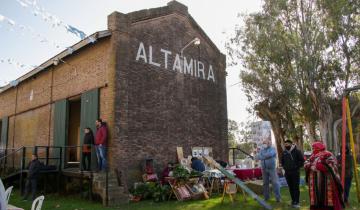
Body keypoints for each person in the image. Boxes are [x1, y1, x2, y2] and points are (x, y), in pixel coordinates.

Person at [304, 142, 345, 210]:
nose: (313, 149)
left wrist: (318, 166)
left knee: (326, 198)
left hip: (327, 181)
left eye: (315, 148)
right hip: (315, 181)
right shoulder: (313, 155)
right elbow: (306, 163)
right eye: (313, 148)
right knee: (316, 198)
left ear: (320, 148)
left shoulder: (328, 154)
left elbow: (332, 164)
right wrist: (310, 166)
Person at [281, 139, 304, 208]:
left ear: (291, 144)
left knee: (295, 187)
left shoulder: (297, 151)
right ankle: (293, 200)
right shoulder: (284, 152)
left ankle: (297, 202)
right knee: (290, 187)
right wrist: (284, 167)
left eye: (287, 144)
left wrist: (296, 166)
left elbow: (302, 161)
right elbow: (282, 161)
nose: (286, 146)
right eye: (285, 145)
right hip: (287, 173)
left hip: (295, 172)